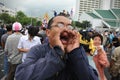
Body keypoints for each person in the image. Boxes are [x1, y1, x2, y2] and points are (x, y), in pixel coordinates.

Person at [15, 15, 98, 80]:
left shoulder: (77, 53)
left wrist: (75, 52)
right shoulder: (37, 50)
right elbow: (22, 76)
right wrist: (57, 53)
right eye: (60, 25)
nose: (66, 29)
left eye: (69, 27)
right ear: (48, 32)